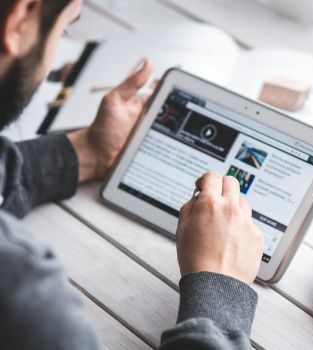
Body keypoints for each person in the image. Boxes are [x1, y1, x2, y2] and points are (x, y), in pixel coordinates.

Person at [0, 1, 264, 349]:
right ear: (20, 19)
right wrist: (219, 286)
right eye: (63, 29)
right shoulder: (26, 298)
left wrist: (87, 153)